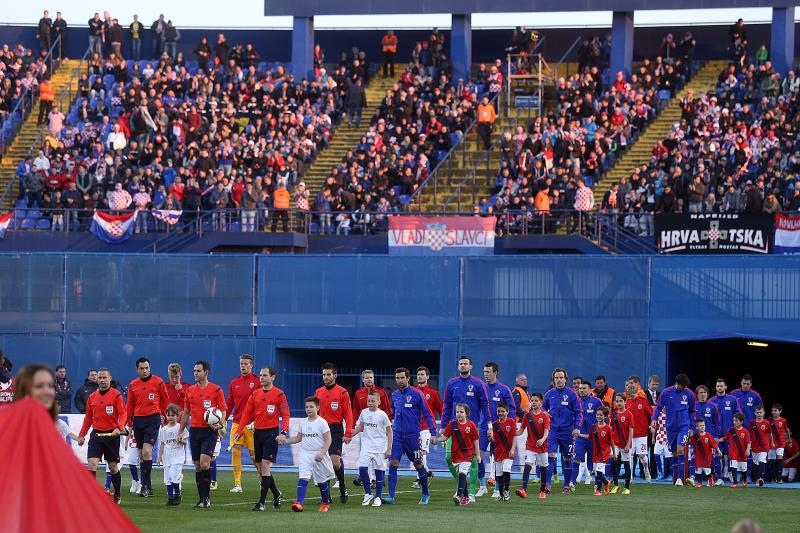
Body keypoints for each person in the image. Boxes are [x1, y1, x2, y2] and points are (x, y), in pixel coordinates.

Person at [234, 366, 290, 511]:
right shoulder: (255, 394)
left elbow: (285, 415)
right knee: (261, 469)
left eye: (265, 375)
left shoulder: (279, 394)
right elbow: (246, 414)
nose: (262, 377)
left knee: (265, 465)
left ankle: (261, 503)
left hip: (271, 434)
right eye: (260, 375)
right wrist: (239, 431)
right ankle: (277, 494)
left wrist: (283, 432)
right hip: (257, 434)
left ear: (273, 377)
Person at [442, 355, 492, 502]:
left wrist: (489, 426)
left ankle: (470, 494)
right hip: (453, 427)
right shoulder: (451, 383)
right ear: (458, 366)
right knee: (448, 457)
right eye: (461, 364)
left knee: (474, 461)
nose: (463, 366)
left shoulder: (478, 384)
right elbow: (447, 406)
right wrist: (444, 426)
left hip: (472, 427)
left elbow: (485, 405)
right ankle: (461, 487)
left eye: (465, 364)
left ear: (470, 366)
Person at [382, 367, 435, 505]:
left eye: (402, 378)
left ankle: (425, 494)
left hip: (412, 437)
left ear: (408, 378)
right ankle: (391, 496)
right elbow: (392, 414)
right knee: (393, 463)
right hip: (397, 437)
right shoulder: (394, 395)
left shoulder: (417, 394)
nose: (399, 380)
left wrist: (433, 433)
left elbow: (428, 414)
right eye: (397, 378)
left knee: (418, 464)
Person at [178, 360, 227, 509]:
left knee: (205, 463)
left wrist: (220, 424)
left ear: (206, 372)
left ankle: (206, 498)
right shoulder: (190, 390)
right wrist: (181, 431)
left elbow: (223, 411)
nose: (195, 373)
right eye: (194, 371)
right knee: (198, 466)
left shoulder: (216, 390)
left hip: (210, 432)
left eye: (198, 371)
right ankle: (201, 499)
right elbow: (186, 412)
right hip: (195, 431)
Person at [77, 368, 127, 504]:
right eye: (100, 378)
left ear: (110, 378)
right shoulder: (92, 397)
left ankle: (117, 494)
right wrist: (82, 435)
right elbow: (88, 418)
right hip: (96, 435)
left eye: (105, 378)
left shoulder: (116, 395)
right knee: (92, 464)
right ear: (97, 379)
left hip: (111, 435)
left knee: (112, 467)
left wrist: (119, 427)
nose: (102, 380)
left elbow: (123, 414)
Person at [280, 396, 335, 513]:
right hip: (305, 454)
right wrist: (285, 440)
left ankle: (325, 503)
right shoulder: (303, 422)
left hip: (319, 455)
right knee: (303, 477)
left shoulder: (322, 422)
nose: (308, 409)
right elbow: (298, 438)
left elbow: (328, 440)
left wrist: (322, 453)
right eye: (306, 407)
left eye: (311, 407)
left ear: (318, 407)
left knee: (322, 481)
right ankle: (299, 503)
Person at [126, 356, 169, 498]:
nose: (145, 371)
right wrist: (129, 423)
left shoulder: (158, 382)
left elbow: (165, 400)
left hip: (153, 419)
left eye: (147, 368)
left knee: (146, 451)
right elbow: (130, 405)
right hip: (138, 420)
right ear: (137, 369)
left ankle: (144, 486)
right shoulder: (133, 385)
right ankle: (148, 486)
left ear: (150, 368)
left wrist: (164, 415)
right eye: (142, 368)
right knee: (141, 455)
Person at [314, 363, 353, 503]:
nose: (325, 377)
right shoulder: (318, 392)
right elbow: (314, 412)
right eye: (324, 374)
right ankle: (327, 496)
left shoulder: (342, 392)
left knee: (335, 463)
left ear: (335, 375)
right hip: (320, 429)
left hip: (336, 429)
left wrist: (348, 431)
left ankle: (342, 486)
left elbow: (348, 413)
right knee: (322, 463)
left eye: (328, 374)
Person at [347, 390, 392, 506]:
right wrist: (348, 436)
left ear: (379, 402)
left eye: (373, 401)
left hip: (379, 447)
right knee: (362, 469)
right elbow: (361, 427)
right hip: (366, 446)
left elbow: (389, 432)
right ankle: (368, 493)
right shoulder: (364, 413)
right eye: (368, 401)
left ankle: (378, 497)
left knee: (379, 472)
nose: (370, 403)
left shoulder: (382, 415)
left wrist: (389, 449)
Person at [542, 367, 582, 493]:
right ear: (553, 380)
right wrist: (544, 413)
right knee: (550, 457)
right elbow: (543, 408)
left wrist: (577, 428)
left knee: (567, 459)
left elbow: (579, 412)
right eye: (556, 378)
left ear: (565, 379)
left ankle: (566, 485)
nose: (559, 380)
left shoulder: (572, 394)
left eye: (561, 377)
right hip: (553, 431)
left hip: (567, 432)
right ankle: (548, 484)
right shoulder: (549, 394)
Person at [652, 373, 696, 486]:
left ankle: (680, 479)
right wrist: (654, 418)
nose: (685, 388)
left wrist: (691, 427)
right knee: (674, 453)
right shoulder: (666, 392)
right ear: (677, 384)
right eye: (683, 386)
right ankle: (676, 476)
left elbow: (692, 411)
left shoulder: (690, 394)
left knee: (681, 450)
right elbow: (659, 406)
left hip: (684, 426)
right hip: (671, 426)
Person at [352, 369, 392, 488]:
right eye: (367, 377)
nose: (369, 379)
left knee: (379, 456)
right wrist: (352, 426)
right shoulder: (358, 393)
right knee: (366, 453)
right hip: (365, 429)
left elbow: (387, 410)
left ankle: (378, 478)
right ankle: (367, 479)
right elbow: (355, 411)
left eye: (371, 377)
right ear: (363, 379)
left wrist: (386, 426)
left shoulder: (381, 392)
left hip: (379, 429)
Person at [226, 353, 261, 494]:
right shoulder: (234, 383)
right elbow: (229, 404)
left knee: (254, 456)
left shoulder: (258, 382)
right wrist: (223, 420)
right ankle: (237, 484)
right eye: (241, 364)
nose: (243, 366)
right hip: (237, 422)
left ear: (251, 365)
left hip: (253, 424)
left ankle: (262, 479)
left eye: (246, 364)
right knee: (235, 450)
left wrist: (257, 421)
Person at [481, 362, 515, 495]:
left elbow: (511, 408)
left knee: (498, 457)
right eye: (484, 372)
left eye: (488, 372)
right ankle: (482, 486)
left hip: (500, 429)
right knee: (478, 456)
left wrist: (509, 425)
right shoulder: (481, 388)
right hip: (483, 426)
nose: (485, 374)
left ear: (495, 373)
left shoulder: (504, 389)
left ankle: (497, 489)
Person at [438, 404, 479, 507]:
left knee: (462, 473)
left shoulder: (471, 425)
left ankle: (459, 495)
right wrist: (436, 440)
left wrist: (477, 454)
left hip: (467, 455)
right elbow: (445, 437)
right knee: (462, 477)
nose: (459, 414)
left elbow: (475, 440)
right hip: (456, 455)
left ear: (466, 414)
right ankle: (466, 497)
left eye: (461, 412)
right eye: (457, 412)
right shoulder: (452, 425)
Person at [515, 392, 550, 499]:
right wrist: (510, 432)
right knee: (527, 466)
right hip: (530, 446)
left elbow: (546, 431)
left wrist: (543, 439)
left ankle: (542, 491)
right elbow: (520, 431)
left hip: (542, 447)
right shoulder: (527, 416)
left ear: (541, 402)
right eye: (532, 400)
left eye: (536, 401)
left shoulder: (545, 416)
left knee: (543, 469)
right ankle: (523, 490)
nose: (533, 402)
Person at [414, 366, 442, 488]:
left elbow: (441, 410)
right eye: (418, 374)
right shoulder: (413, 391)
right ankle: (427, 471)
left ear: (427, 377)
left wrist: (444, 426)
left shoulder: (433, 393)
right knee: (416, 454)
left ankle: (420, 479)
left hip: (426, 428)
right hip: (414, 428)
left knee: (422, 452)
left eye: (422, 374)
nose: (420, 376)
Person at [709, 377, 742, 482]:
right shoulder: (711, 401)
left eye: (721, 386)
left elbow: (739, 415)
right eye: (718, 386)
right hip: (716, 435)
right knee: (717, 455)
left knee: (730, 455)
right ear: (715, 387)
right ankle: (719, 476)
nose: (719, 388)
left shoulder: (732, 399)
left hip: (729, 433)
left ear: (725, 387)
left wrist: (736, 428)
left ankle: (730, 474)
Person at [573, 381, 603, 486]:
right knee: (577, 458)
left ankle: (591, 477)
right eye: (580, 388)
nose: (581, 390)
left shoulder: (596, 401)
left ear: (590, 390)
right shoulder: (576, 401)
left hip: (593, 436)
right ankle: (572, 483)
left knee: (593, 459)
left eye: (584, 388)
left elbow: (603, 415)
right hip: (579, 435)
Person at [158, 404, 189, 505]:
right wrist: (159, 456)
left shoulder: (180, 427)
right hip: (167, 456)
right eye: (169, 415)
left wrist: (181, 441)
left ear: (177, 416)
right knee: (167, 478)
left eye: (173, 415)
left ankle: (177, 494)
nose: (170, 417)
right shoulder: (163, 430)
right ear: (166, 416)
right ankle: (170, 498)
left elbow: (185, 441)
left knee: (172, 476)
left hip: (177, 455)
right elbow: (162, 444)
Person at [695, 385, 723, 484]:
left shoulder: (712, 406)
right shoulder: (693, 406)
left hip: (709, 437)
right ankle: (694, 478)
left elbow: (717, 423)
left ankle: (719, 478)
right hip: (697, 437)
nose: (703, 395)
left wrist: (716, 435)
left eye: (704, 393)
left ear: (707, 394)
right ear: (697, 394)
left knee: (714, 457)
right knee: (695, 457)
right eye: (701, 393)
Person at [625, 382, 653, 482]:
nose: (631, 396)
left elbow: (651, 414)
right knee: (630, 456)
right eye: (629, 394)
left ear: (636, 391)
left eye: (632, 394)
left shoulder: (644, 402)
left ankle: (646, 469)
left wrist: (652, 425)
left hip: (642, 434)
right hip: (630, 435)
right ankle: (630, 477)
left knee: (642, 456)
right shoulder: (627, 403)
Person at [490, 401, 516, 501]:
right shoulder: (494, 425)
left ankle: (506, 491)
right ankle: (501, 494)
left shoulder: (511, 422)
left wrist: (513, 449)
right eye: (499, 411)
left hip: (509, 452)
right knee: (499, 474)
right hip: (498, 452)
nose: (500, 413)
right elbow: (494, 440)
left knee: (506, 470)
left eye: (503, 411)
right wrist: (491, 437)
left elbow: (514, 436)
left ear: (507, 412)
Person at [609, 393, 634, 494]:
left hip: (625, 443)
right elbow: (611, 429)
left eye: (621, 401)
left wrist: (628, 444)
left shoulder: (629, 414)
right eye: (617, 401)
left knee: (626, 464)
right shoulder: (613, 414)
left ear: (625, 402)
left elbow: (631, 430)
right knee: (614, 463)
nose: (618, 403)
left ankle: (627, 487)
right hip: (615, 443)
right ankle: (616, 485)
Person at [720, 412, 751, 488]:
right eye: (734, 421)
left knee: (743, 469)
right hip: (733, 453)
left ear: (741, 422)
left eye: (736, 421)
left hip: (742, 453)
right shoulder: (731, 430)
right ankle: (735, 483)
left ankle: (744, 481)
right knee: (733, 467)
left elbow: (748, 442)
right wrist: (718, 440)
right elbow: (725, 438)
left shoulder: (745, 431)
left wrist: (747, 450)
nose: (734, 422)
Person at [688, 418, 719, 487]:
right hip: (698, 457)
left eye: (703, 425)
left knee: (707, 470)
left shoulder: (708, 435)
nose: (703, 427)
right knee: (698, 470)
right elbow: (690, 442)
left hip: (706, 456)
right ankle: (699, 483)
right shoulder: (695, 436)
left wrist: (718, 451)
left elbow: (714, 444)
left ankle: (710, 479)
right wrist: (690, 436)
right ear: (697, 427)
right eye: (701, 426)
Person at [749, 405, 773, 486]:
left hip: (764, 446)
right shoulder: (752, 423)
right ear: (755, 413)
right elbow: (749, 434)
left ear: (764, 413)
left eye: (760, 412)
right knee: (756, 463)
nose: (759, 414)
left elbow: (770, 433)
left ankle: (761, 478)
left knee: (762, 460)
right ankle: (756, 479)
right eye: (757, 413)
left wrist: (772, 443)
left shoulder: (766, 422)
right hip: (755, 446)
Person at [645, 375, 661, 479]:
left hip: (658, 427)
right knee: (643, 451)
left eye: (656, 384)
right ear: (648, 384)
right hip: (646, 426)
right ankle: (643, 472)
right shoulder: (644, 394)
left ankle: (654, 473)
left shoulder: (660, 395)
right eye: (653, 384)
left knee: (654, 451)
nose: (654, 386)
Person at [769, 404, 789, 483]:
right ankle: (774, 478)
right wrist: (770, 442)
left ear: (780, 411)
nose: (773, 412)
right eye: (772, 410)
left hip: (780, 443)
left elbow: (786, 429)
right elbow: (767, 433)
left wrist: (789, 439)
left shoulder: (783, 420)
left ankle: (780, 478)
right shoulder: (769, 420)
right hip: (772, 443)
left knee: (779, 459)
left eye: (775, 411)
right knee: (773, 461)